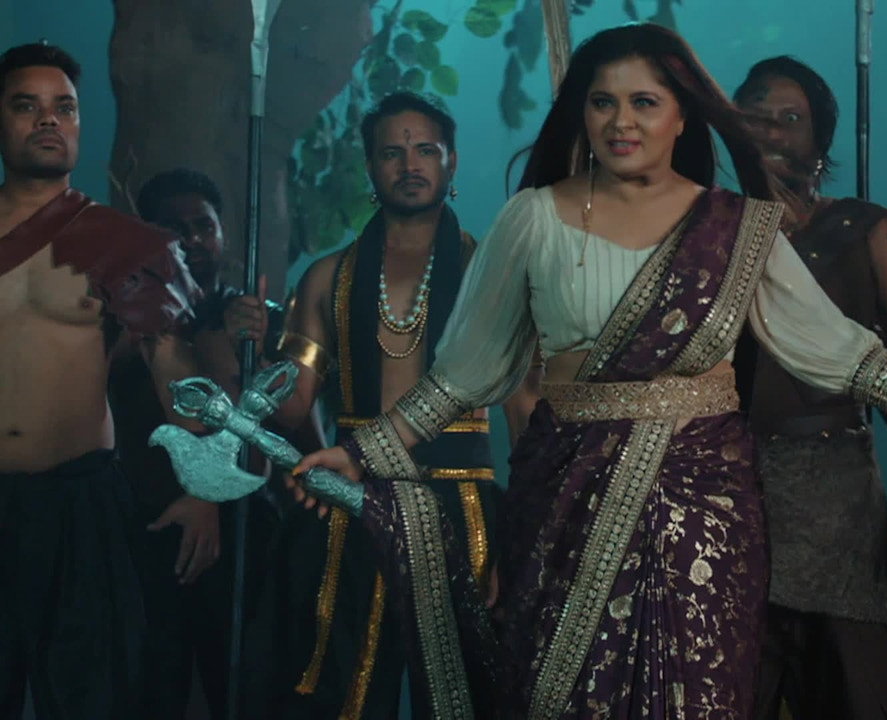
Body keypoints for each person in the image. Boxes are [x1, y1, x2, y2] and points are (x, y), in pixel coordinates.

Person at [279, 24, 887, 717]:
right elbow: (462, 375)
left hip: (704, 506)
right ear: (582, 114)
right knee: (561, 692)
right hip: (567, 498)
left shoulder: (737, 228)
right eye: (603, 102)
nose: (622, 121)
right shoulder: (535, 218)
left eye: (644, 102)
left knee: (697, 694)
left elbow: (842, 351)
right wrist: (360, 453)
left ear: (683, 114)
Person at [230, 92, 531, 719]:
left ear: (451, 161)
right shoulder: (327, 277)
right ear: (370, 167)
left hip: (462, 506)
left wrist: (523, 536)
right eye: (392, 152)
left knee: (466, 695)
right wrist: (256, 352)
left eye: (426, 150)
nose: (410, 164)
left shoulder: (492, 272)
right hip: (351, 503)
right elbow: (294, 410)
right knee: (339, 690)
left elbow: (524, 411)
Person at [732, 56, 887, 720]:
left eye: (790, 118)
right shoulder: (710, 229)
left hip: (838, 485)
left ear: (820, 140)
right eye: (756, 116)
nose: (772, 131)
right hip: (731, 480)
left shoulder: (864, 229)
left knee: (864, 686)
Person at [0, 42, 201, 719]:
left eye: (64, 108)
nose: (48, 120)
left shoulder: (115, 239)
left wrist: (203, 488)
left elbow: (172, 367)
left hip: (79, 501)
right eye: (27, 106)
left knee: (92, 696)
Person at [109, 168, 282, 719]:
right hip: (149, 529)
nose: (192, 240)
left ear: (223, 234)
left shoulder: (249, 318)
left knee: (244, 689)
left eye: (204, 226)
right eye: (173, 229)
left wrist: (248, 344)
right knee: (154, 689)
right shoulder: (123, 318)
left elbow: (277, 431)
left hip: (241, 528)